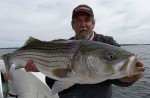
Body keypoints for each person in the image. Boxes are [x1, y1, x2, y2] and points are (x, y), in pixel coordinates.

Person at [24, 4, 144, 98]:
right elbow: (52, 80)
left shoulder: (108, 42)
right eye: (78, 20)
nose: (83, 24)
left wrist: (130, 76)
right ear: (72, 25)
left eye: (87, 20)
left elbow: (118, 76)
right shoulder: (65, 45)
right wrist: (39, 67)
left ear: (93, 24)